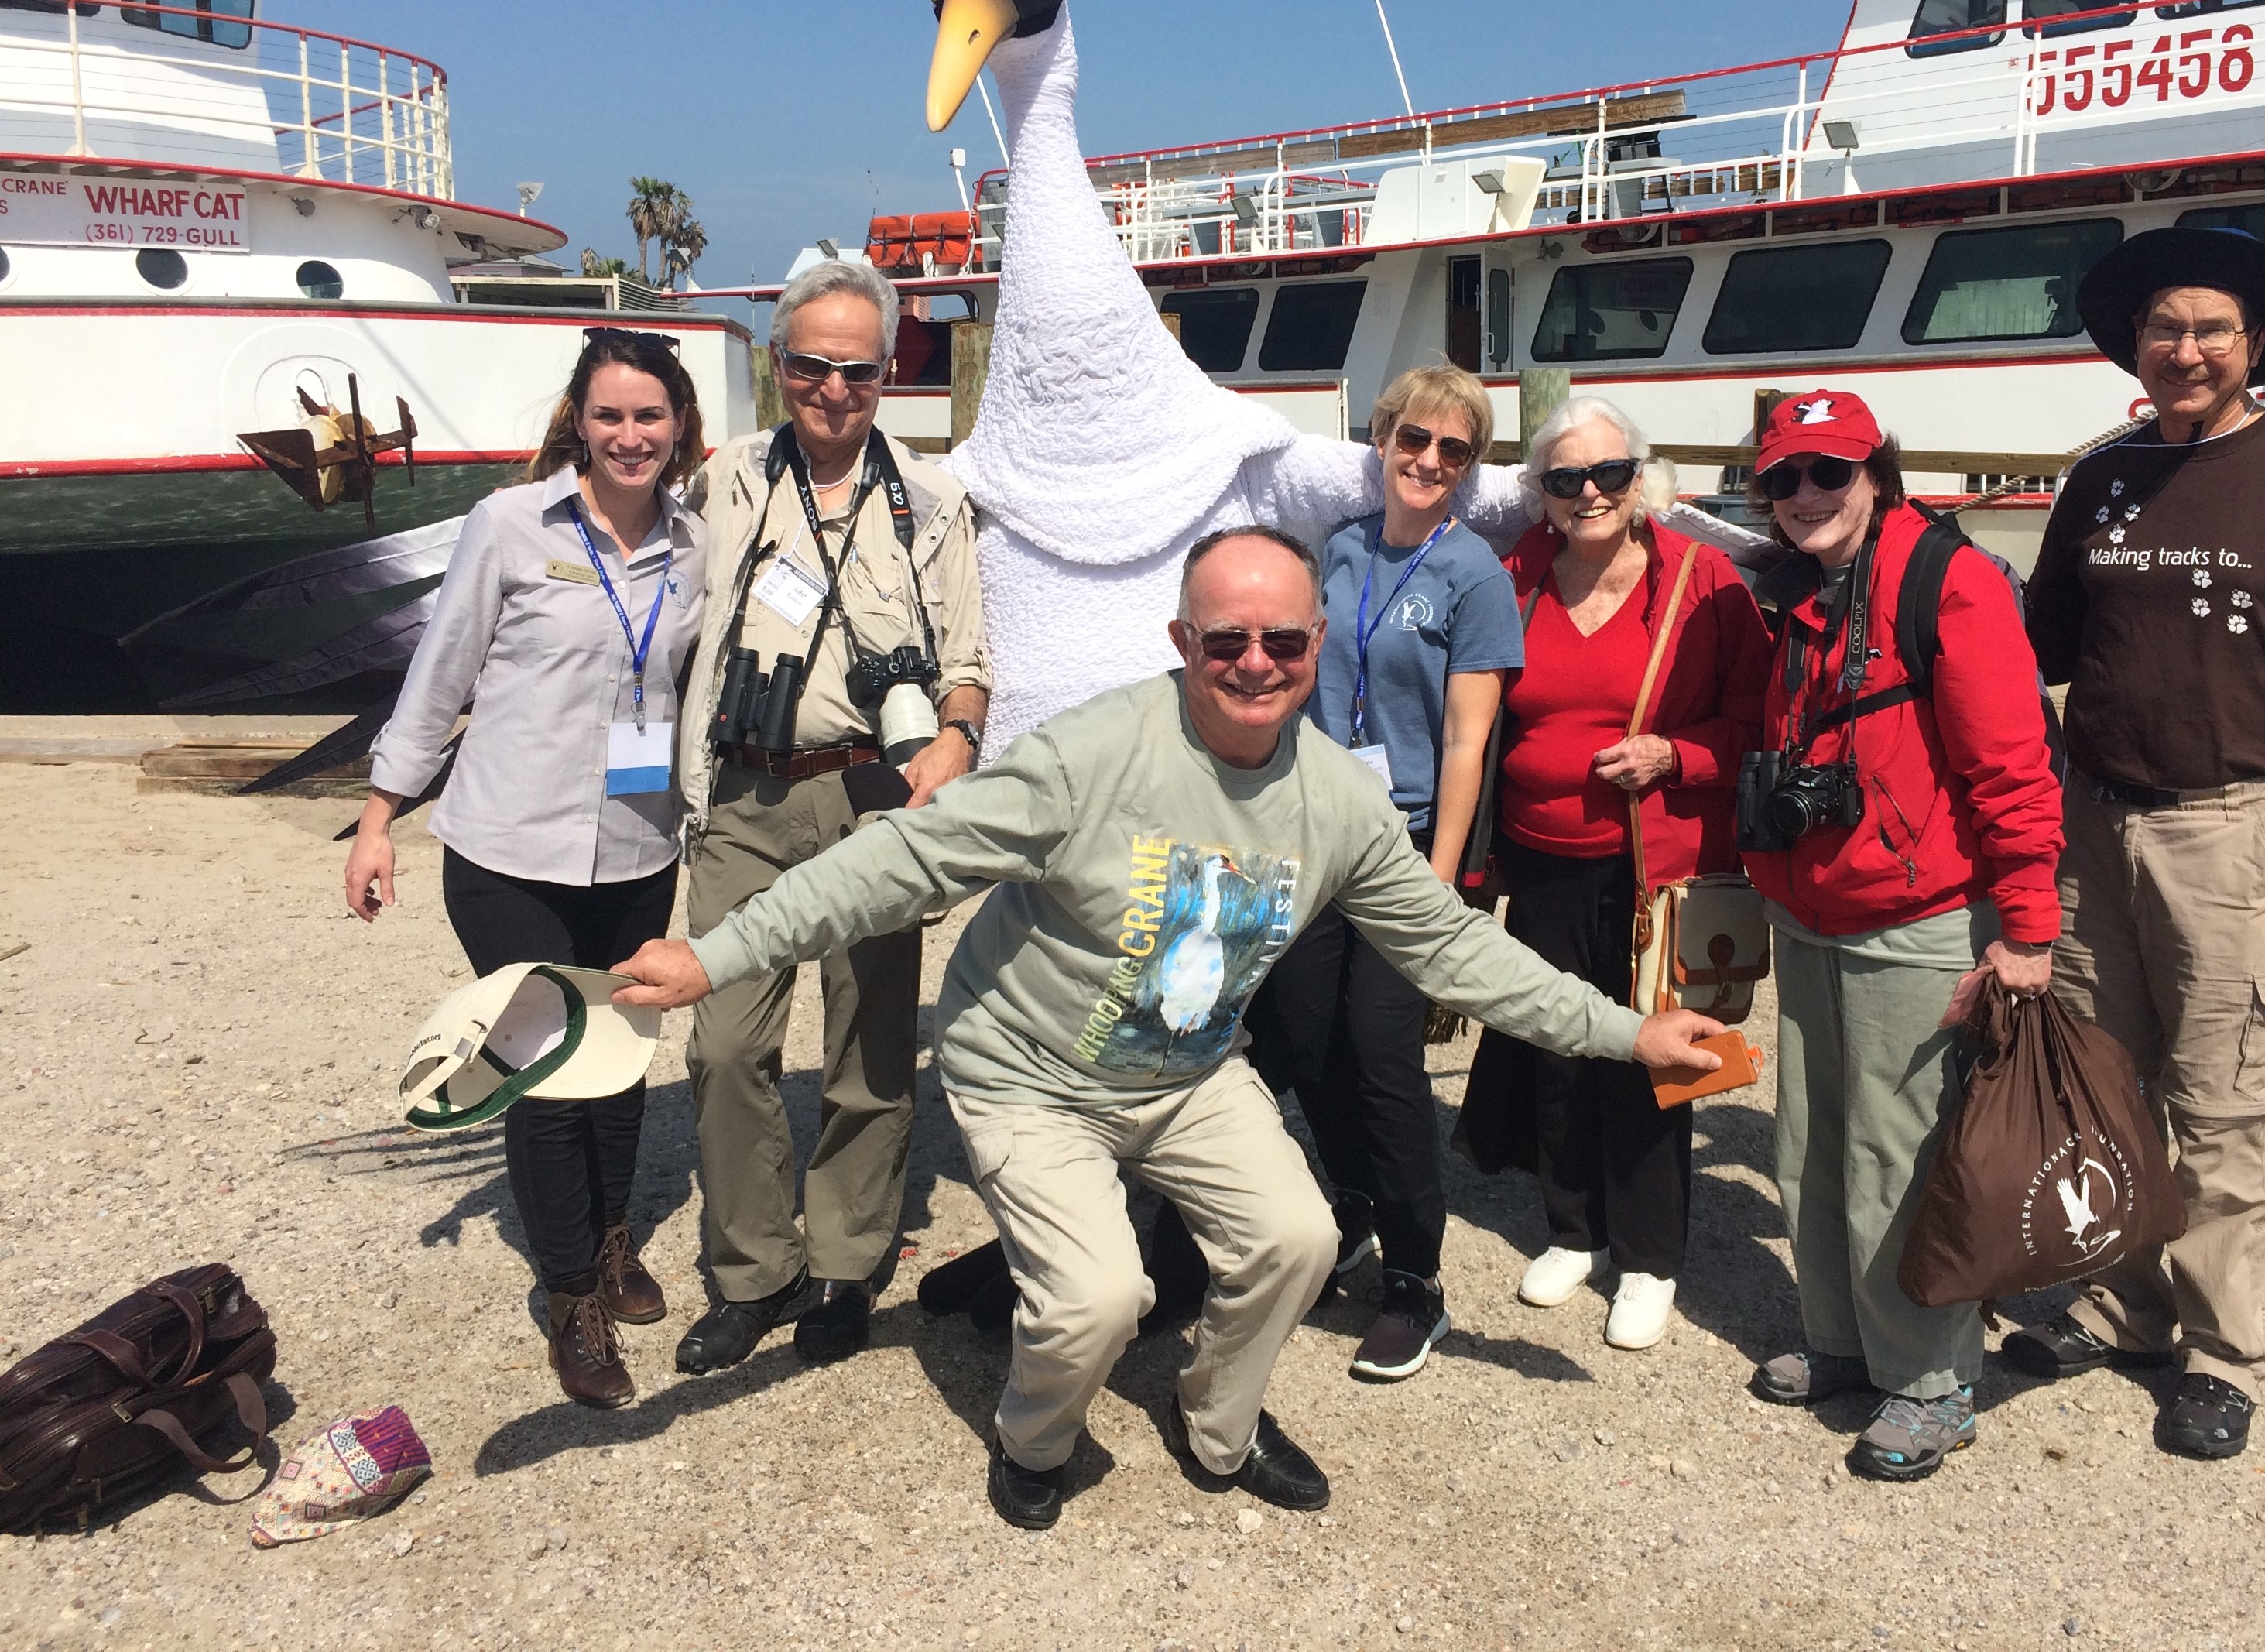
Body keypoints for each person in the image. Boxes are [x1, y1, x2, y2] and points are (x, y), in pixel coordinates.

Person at [610, 526, 1733, 1530]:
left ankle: (1220, 1426)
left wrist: (1626, 1033)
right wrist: (713, 956)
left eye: (1283, 642)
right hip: (1031, 1074)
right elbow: (903, 860)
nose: (1256, 662)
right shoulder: (1091, 757)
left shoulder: (1336, 799)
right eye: (1226, 640)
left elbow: (1451, 946)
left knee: (1298, 1238)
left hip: (1186, 1071)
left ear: (1317, 638)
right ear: (1181, 639)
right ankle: (1035, 1440)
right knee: (1098, 1300)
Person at [2007, 226, 2265, 1462]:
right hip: (2094, 819)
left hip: (2236, 829)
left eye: (2210, 330)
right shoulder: (2105, 477)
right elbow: (2043, 648)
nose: (2186, 350)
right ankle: (2124, 1304)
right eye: (2165, 329)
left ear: (2256, 345)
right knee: (2106, 1091)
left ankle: (2223, 1351)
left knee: (2227, 1102)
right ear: (2136, 345)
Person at [348, 328, 708, 1408]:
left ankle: (606, 1238)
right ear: (579, 423)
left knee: (625, 1054)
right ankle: (569, 1298)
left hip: (639, 844)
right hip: (506, 846)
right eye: (611, 415)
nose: (630, 434)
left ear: (680, 428)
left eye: (650, 416)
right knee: (549, 1068)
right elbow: (439, 674)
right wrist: (378, 819)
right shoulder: (510, 525)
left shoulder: (699, 546)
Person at [670, 259, 992, 1377]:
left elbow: (968, 664)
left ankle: (848, 1265)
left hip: (874, 800)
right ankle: (753, 1271)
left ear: (889, 371)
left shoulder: (935, 501)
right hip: (747, 795)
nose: (834, 389)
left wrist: (955, 742)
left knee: (870, 1047)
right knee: (722, 1044)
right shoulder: (728, 483)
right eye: (811, 365)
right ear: (779, 364)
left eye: (858, 369)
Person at [1737, 389, 2064, 1482]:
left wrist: (2027, 925)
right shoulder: (1797, 588)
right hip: (1813, 911)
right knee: (1813, 1141)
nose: (1804, 496)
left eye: (1829, 471)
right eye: (1782, 478)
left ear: (1878, 470)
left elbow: (2011, 765)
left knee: (1903, 1154)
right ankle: (1845, 1340)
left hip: (1915, 918)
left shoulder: (1947, 579)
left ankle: (1930, 1381)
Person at [1455, 396, 1770, 1351]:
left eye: (1607, 475)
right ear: (1541, 494)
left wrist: (1676, 757)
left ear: (1640, 480)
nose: (1588, 492)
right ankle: (1572, 1229)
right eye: (1564, 479)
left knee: (1655, 1054)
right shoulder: (1516, 576)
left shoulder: (1702, 579)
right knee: (1556, 1048)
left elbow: (1757, 725)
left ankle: (1649, 1257)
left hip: (1656, 866)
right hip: (1540, 858)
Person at [1238, 365, 1523, 1383]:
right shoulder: (1343, 550)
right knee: (1299, 1039)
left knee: (1385, 1060)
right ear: (1382, 437)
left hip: (1404, 853)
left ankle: (1416, 1280)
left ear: (1470, 466)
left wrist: (1440, 888)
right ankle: (1351, 1211)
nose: (1429, 462)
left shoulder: (1474, 577)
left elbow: (1464, 745)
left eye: (1454, 450)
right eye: (1413, 439)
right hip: (1314, 842)